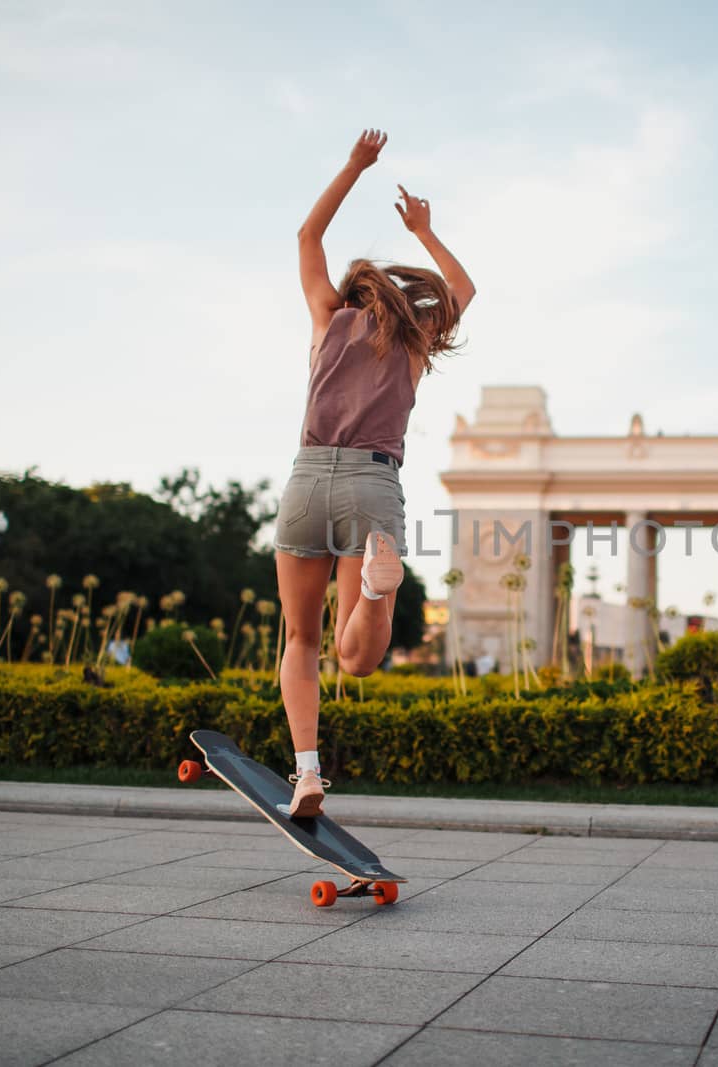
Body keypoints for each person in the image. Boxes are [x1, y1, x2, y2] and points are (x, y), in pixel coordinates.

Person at [275, 129, 475, 817]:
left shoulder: (326, 318)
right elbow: (462, 287)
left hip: (306, 479)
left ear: (351, 291)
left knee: (300, 640)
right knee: (355, 656)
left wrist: (355, 165)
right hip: (372, 479)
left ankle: (306, 771)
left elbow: (307, 233)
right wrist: (424, 229)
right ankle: (371, 594)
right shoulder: (415, 339)